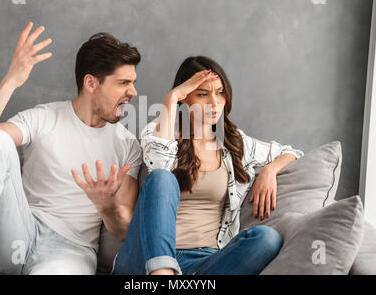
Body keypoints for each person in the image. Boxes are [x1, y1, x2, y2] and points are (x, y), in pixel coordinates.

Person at [0, 22, 142, 275]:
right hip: (17, 232)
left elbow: (124, 228)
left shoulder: (127, 146)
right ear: (91, 83)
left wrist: (105, 207)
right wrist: (10, 81)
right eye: (123, 82)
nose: (133, 92)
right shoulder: (44, 117)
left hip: (70, 252)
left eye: (133, 82)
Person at [113, 56, 304, 275]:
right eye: (203, 94)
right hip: (145, 260)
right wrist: (172, 98)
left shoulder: (235, 145)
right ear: (185, 98)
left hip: (202, 263)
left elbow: (292, 152)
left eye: (220, 93)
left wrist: (270, 170)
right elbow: (159, 166)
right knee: (162, 178)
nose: (214, 103)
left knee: (267, 238)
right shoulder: (157, 132)